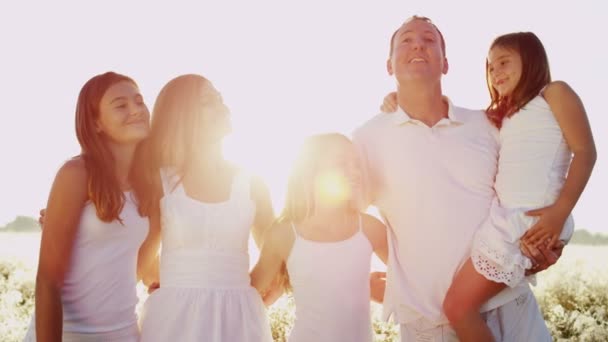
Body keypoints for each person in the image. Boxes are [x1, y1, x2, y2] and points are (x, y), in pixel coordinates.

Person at [353, 16, 572, 341]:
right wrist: (399, 270)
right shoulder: (366, 138)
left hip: (512, 309)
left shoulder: (488, 125)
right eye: (406, 40)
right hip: (429, 326)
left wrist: (547, 242)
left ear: (445, 64)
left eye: (429, 40)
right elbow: (344, 217)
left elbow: (535, 183)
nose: (418, 45)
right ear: (389, 65)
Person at [134, 74, 274, 342]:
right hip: (174, 317)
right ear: (182, 116)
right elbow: (141, 257)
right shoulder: (159, 180)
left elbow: (275, 249)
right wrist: (182, 279)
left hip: (241, 317)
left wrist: (241, 292)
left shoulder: (253, 182)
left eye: (220, 98)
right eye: (209, 101)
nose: (223, 106)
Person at [25, 72, 160, 342]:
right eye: (121, 105)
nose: (135, 110)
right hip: (68, 334)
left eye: (139, 101)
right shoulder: (76, 173)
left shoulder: (151, 184)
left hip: (124, 333)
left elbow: (136, 266)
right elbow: (48, 281)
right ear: (96, 123)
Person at [250, 133, 388, 342]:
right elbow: (248, 297)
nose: (355, 171)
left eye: (356, 163)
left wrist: (366, 287)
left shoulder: (370, 228)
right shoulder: (284, 234)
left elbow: (413, 280)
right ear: (311, 172)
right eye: (342, 163)